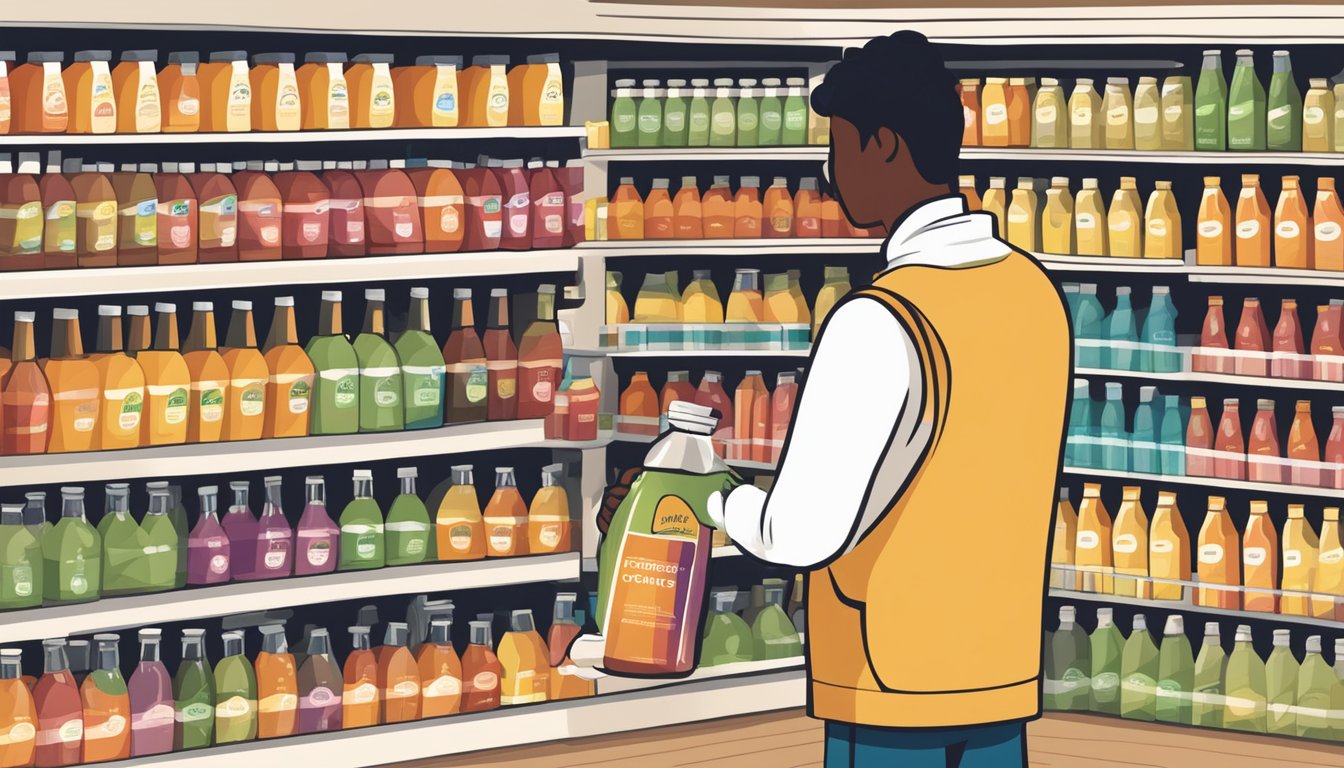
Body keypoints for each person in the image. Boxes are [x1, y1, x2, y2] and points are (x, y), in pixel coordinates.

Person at [705, 31, 1071, 768]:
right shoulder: (1036, 297)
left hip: (890, 687)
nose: (828, 169)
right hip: (997, 677)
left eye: (838, 146)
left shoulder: (880, 320)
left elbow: (800, 532)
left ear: (884, 147)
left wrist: (712, 496)